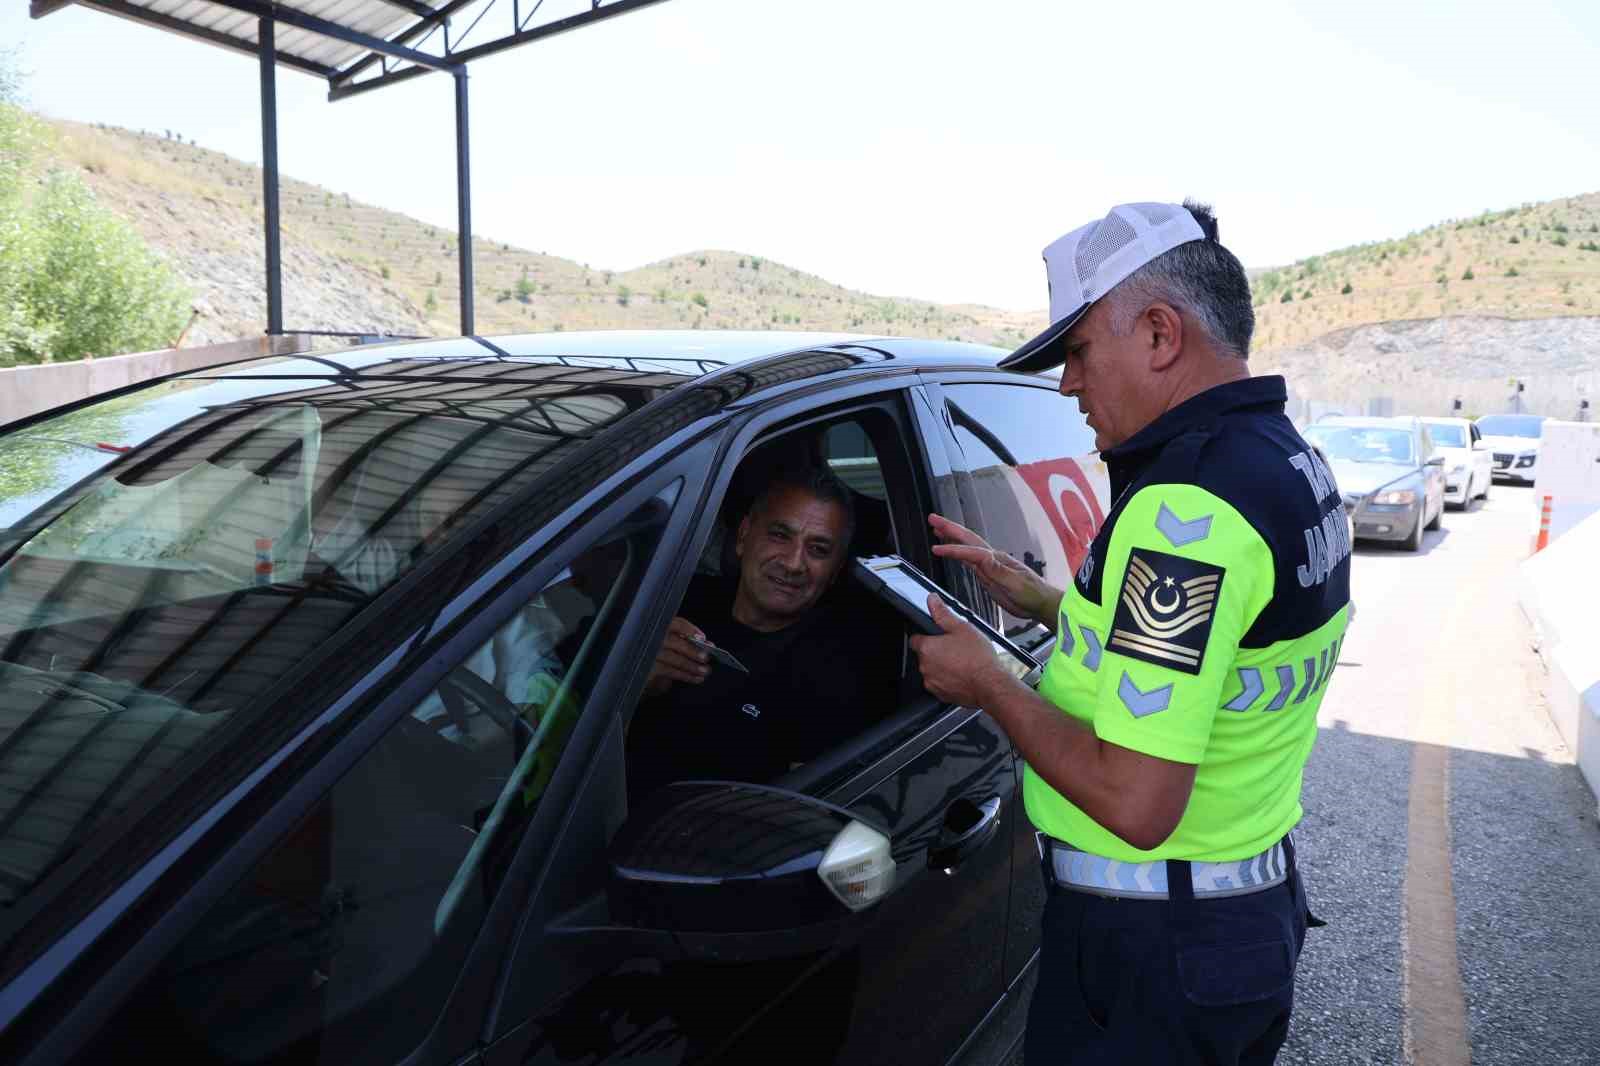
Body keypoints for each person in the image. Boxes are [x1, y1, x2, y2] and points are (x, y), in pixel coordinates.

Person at [910, 200, 1350, 1064]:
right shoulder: (1280, 457)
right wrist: (1043, 601)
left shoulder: (1186, 511)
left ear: (1158, 334)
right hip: (1228, 924)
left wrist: (989, 685)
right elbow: (1220, 652)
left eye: (1077, 353)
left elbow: (1137, 803)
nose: (1067, 384)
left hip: (1152, 951)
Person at [626, 467, 882, 802]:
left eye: (818, 550)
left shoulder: (837, 674)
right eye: (779, 535)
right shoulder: (673, 604)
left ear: (834, 571)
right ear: (744, 536)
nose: (793, 563)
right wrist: (633, 686)